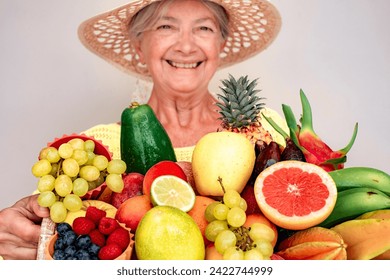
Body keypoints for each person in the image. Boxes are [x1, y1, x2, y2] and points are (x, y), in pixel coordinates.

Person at [0, 0, 285, 260]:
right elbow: (61, 245)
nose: (186, 46)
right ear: (139, 44)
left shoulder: (266, 131)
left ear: (221, 44)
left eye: (204, 28)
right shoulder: (94, 149)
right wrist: (20, 233)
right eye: (166, 26)